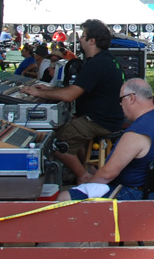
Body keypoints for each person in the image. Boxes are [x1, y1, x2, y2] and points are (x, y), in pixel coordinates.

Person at [24, 18, 126, 182]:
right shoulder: (105, 60)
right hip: (105, 117)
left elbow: (69, 95)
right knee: (70, 128)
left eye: (83, 35)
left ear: (92, 40)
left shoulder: (97, 64)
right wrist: (50, 89)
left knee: (54, 141)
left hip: (99, 121)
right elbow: (77, 88)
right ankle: (88, 168)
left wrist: (38, 92)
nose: (80, 38)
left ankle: (83, 176)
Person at [62, 79, 154, 201]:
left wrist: (87, 186)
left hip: (133, 195)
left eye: (121, 99)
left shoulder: (138, 131)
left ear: (131, 98)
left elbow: (107, 174)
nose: (120, 104)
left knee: (64, 197)